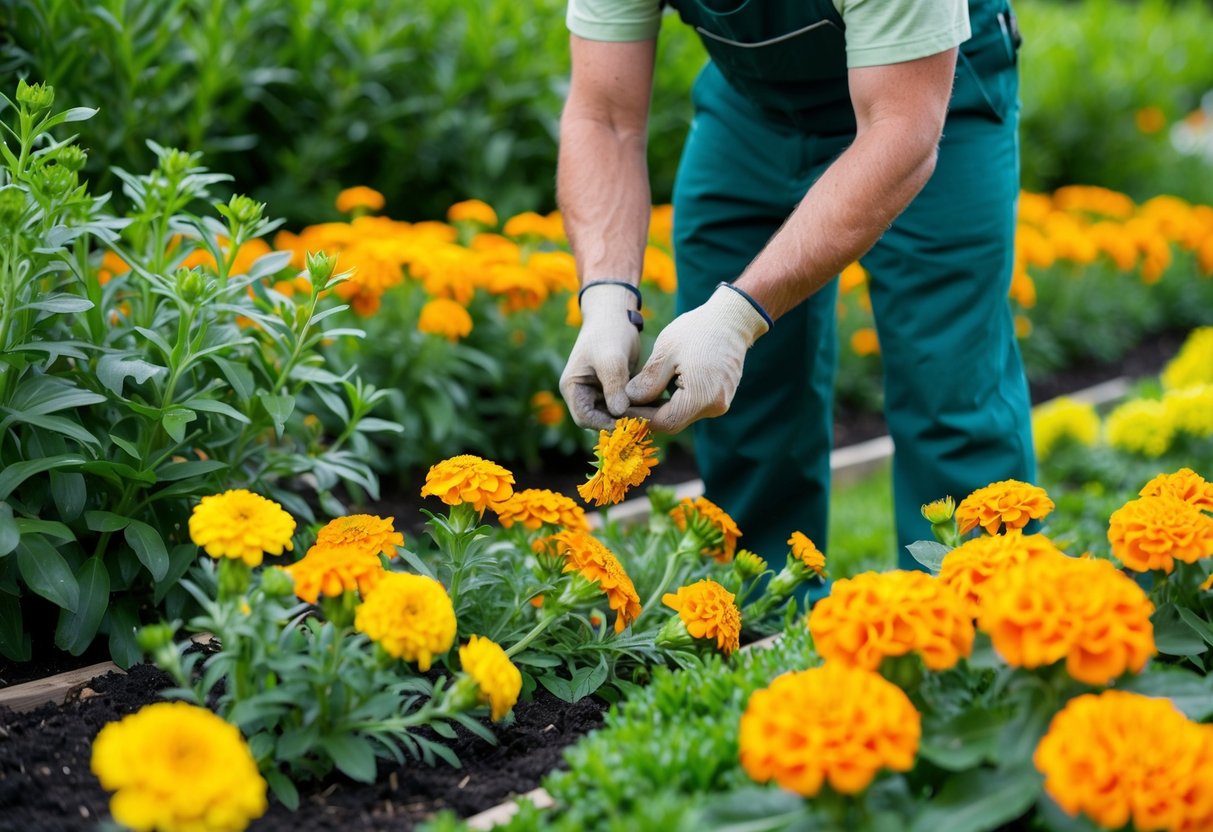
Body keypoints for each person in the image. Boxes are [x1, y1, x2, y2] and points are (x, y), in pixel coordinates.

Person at [557, 0, 1034, 571]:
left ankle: (981, 631)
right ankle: (766, 620)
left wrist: (738, 317)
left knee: (949, 379)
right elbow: (603, 117)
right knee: (743, 404)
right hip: (756, 108)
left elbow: (901, 130)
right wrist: (607, 298)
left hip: (926, 87)